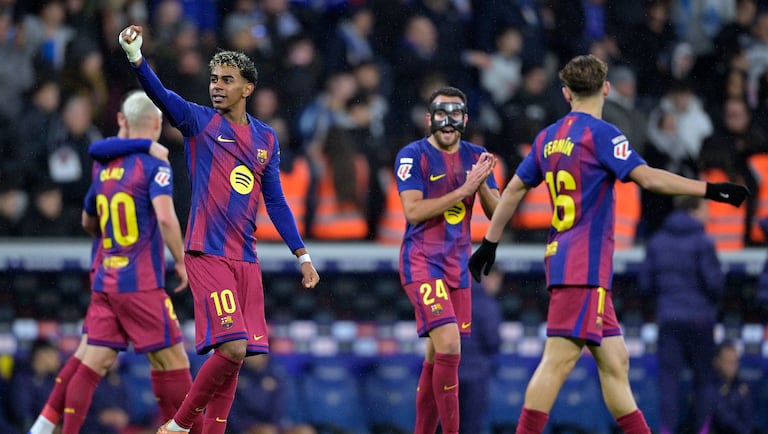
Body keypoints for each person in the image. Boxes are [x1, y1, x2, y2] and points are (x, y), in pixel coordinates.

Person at [468, 54, 749, 434]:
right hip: (583, 266)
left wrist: (490, 242)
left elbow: (515, 189)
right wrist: (710, 190)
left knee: (616, 363)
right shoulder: (602, 134)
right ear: (606, 88)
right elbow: (648, 178)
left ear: (566, 93)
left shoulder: (547, 138)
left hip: (568, 261)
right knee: (557, 362)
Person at [111, 24, 320, 434]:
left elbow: (276, 201)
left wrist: (303, 255)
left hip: (246, 258)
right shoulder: (200, 122)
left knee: (234, 360)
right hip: (207, 252)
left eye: (226, 80)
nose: (216, 87)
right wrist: (135, 57)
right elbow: (162, 96)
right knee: (234, 346)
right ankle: (179, 426)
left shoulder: (265, 139)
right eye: (213, 79)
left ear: (247, 88)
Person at [26, 90, 193, 434]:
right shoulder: (155, 164)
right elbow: (165, 217)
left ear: (122, 121)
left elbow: (88, 221)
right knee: (173, 360)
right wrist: (180, 260)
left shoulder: (103, 166)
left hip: (107, 278)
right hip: (141, 282)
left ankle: (47, 428)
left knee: (91, 361)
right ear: (158, 123)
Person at [394, 85, 500, 434]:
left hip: (458, 267)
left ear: (465, 120)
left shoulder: (478, 156)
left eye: (455, 114)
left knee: (435, 354)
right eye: (441, 114)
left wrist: (481, 184)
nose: (448, 121)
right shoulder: (412, 155)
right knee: (451, 345)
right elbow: (413, 211)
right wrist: (464, 190)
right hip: (422, 261)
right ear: (429, 119)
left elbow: (497, 213)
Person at [639, 195, 725, 433]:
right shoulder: (703, 241)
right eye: (706, 208)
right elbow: (715, 284)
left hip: (669, 319)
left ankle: (666, 431)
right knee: (705, 380)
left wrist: (664, 303)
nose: (709, 214)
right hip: (700, 319)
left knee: (668, 381)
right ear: (693, 209)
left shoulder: (657, 241)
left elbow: (645, 284)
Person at [458, 266, 503, 434]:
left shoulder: (455, 298)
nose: (498, 286)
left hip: (449, 373)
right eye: (497, 280)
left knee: (447, 424)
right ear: (487, 277)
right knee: (471, 425)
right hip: (475, 375)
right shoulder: (487, 305)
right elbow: (492, 341)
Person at [705, 340, 754, 434]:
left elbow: (747, 418)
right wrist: (737, 395)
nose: (733, 366)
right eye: (728, 362)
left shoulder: (741, 385)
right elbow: (722, 417)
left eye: (735, 362)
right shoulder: (708, 385)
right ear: (716, 362)